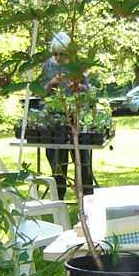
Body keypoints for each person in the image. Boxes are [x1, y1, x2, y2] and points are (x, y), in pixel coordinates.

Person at [40, 31, 95, 200]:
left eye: (61, 54)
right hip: (54, 120)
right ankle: (59, 198)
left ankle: (86, 198)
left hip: (76, 117)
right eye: (55, 54)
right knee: (57, 162)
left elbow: (87, 90)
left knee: (83, 161)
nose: (58, 57)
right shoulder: (47, 66)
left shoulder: (77, 66)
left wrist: (77, 87)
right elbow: (40, 91)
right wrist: (51, 83)